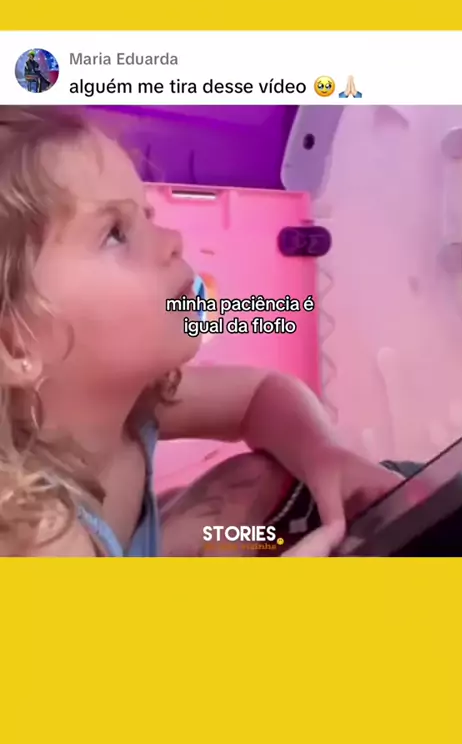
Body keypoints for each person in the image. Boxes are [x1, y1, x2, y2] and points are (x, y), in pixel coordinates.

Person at [0, 107, 399, 557]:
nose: (172, 239)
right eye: (115, 233)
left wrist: (323, 455)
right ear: (15, 345)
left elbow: (258, 395)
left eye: (148, 215)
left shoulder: (133, 405)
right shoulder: (36, 533)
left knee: (257, 480)